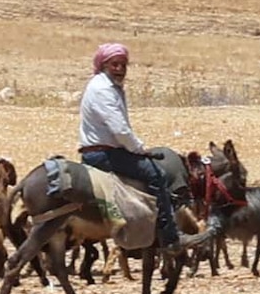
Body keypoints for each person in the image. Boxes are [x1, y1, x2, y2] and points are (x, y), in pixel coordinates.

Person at [76, 41, 190, 214]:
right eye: (115, 64)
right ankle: (167, 232)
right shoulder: (104, 90)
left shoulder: (105, 86)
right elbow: (120, 130)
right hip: (105, 155)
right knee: (156, 174)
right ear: (104, 65)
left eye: (123, 65)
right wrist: (138, 149)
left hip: (103, 151)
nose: (120, 69)